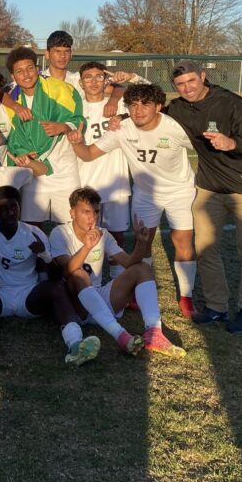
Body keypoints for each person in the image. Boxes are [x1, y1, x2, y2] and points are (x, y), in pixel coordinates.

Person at [69, 82, 197, 318]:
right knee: (142, 244)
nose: (138, 110)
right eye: (133, 105)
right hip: (145, 194)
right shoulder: (122, 128)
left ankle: (186, 297)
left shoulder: (174, 128)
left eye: (145, 104)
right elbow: (88, 155)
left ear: (159, 106)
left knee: (182, 241)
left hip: (179, 190)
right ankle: (140, 291)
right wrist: (77, 141)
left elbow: (206, 149)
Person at [164, 60, 242, 334]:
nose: (187, 88)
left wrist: (232, 143)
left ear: (203, 76)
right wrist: (121, 116)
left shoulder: (232, 103)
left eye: (191, 81)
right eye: (180, 84)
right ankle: (216, 306)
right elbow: (151, 114)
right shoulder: (178, 108)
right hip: (210, 188)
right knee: (206, 248)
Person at [0, 186, 100, 365]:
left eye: (14, 207)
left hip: (28, 295)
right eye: (4, 208)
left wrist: (44, 255)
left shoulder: (34, 233)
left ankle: (75, 345)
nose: (11, 213)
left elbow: (56, 275)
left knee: (56, 288)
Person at [49, 188, 184, 357]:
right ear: (72, 213)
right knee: (78, 275)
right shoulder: (59, 233)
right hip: (76, 305)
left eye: (96, 212)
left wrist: (141, 244)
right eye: (86, 212)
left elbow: (129, 263)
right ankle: (119, 334)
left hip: (100, 297)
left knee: (143, 269)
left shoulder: (103, 234)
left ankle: (154, 332)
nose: (92, 217)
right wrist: (87, 247)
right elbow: (66, 270)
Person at [3, 46, 85, 228]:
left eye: (30, 68)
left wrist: (62, 126)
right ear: (12, 76)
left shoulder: (60, 89)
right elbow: (0, 97)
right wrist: (16, 108)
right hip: (34, 171)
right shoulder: (12, 97)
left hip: (64, 170)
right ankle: (41, 258)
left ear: (37, 68)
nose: (26, 74)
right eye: (19, 71)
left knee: (70, 226)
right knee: (32, 226)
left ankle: (71, 257)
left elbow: (78, 120)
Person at [74, 62, 132, 263]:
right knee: (85, 235)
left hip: (116, 180)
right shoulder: (75, 107)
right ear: (81, 82)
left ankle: (117, 277)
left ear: (106, 80)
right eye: (88, 77)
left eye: (99, 76)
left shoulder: (121, 104)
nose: (93, 81)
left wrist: (118, 101)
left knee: (117, 235)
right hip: (86, 180)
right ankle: (87, 275)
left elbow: (151, 92)